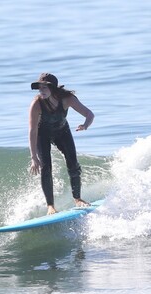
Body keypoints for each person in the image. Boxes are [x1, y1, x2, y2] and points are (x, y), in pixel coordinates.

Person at [29, 73, 94, 215]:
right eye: (40, 87)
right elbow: (33, 130)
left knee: (73, 163)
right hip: (42, 134)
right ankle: (50, 206)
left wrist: (85, 125)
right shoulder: (37, 104)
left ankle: (77, 199)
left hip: (62, 131)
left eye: (45, 87)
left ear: (53, 88)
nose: (41, 90)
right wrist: (34, 157)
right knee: (46, 167)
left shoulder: (67, 99)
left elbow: (89, 114)